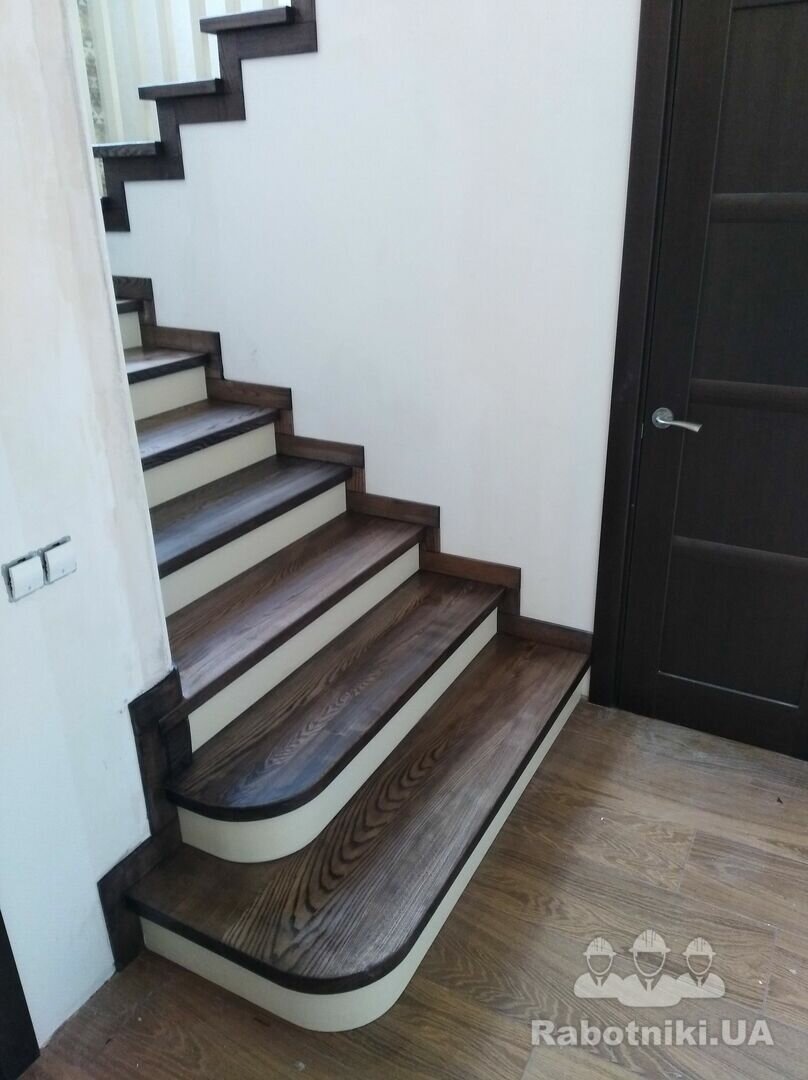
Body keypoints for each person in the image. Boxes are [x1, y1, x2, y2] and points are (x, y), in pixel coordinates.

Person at [619, 929, 682, 1007]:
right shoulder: (627, 983)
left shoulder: (670, 984)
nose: (646, 959)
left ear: (664, 956)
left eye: (657, 955)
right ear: (634, 956)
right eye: (641, 955)